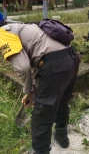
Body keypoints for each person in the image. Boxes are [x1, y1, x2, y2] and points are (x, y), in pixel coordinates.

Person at [0, 23, 80, 154]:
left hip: (55, 64)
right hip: (71, 59)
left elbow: (23, 67)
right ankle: (62, 137)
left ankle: (40, 151)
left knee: (42, 113)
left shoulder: (2, 34)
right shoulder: (21, 27)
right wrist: (34, 87)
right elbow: (41, 61)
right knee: (62, 101)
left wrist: (28, 92)